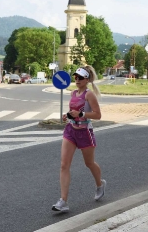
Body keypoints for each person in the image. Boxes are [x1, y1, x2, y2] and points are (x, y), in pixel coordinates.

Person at [52, 66, 106, 212]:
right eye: (75, 77)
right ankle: (63, 201)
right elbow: (73, 112)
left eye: (80, 78)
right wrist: (68, 115)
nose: (77, 80)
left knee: (89, 163)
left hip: (85, 132)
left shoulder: (90, 95)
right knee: (64, 165)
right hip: (70, 131)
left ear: (87, 79)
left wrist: (80, 114)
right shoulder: (73, 93)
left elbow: (97, 115)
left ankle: (100, 184)